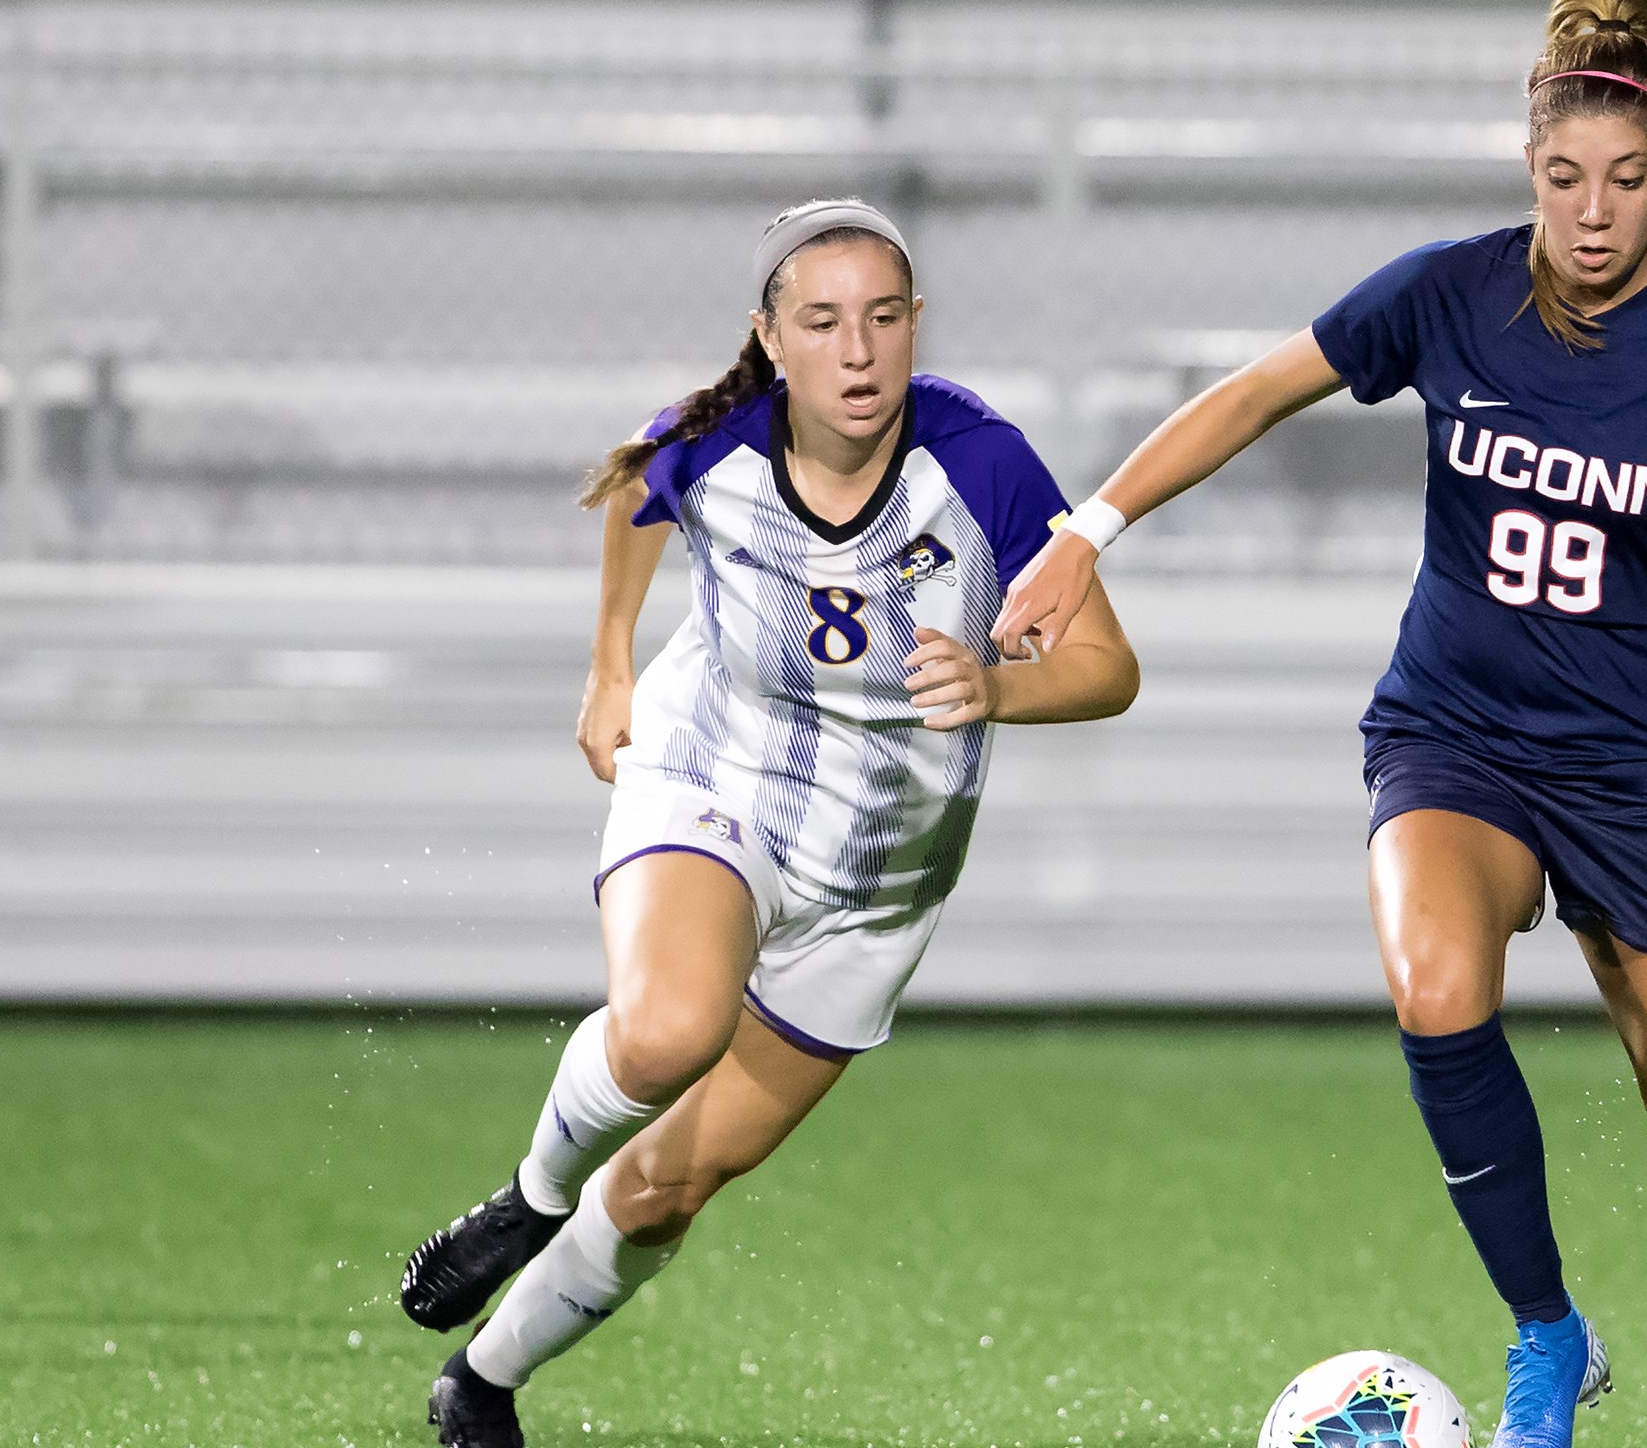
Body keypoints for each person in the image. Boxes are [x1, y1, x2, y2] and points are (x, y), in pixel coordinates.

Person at [993, 0, 1647, 1448]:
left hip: (1636, 771)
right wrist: (1084, 530)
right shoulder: (1452, 291)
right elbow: (1255, 391)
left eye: (1625, 181)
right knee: (1436, 985)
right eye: (1564, 176)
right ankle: (1549, 1336)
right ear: (1530, 166)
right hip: (1454, 731)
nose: (1591, 210)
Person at [396, 198, 1140, 1448]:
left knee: (672, 1185)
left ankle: (482, 1380)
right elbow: (640, 481)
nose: (858, 352)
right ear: (772, 338)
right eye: (824, 322)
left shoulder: (986, 465)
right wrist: (611, 664)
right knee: (671, 1028)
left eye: (885, 319)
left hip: (882, 879)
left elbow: (1110, 664)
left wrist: (1002, 684)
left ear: (916, 329)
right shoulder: (719, 439)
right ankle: (528, 1197)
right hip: (718, 776)